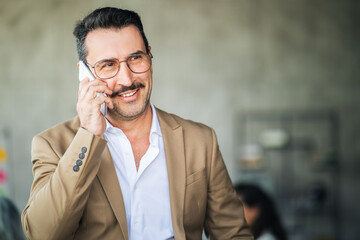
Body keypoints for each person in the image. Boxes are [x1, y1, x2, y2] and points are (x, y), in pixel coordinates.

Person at [21, 7, 253, 240]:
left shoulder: (201, 140)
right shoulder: (52, 145)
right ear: (85, 75)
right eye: (108, 65)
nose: (127, 79)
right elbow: (42, 234)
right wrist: (88, 135)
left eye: (135, 58)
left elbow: (233, 234)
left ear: (149, 56)